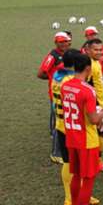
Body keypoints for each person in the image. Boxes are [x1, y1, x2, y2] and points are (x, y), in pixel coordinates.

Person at [61, 53, 103, 205]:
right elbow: (93, 119)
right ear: (88, 69)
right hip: (87, 140)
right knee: (89, 178)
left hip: (71, 137)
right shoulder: (87, 90)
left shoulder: (66, 86)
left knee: (76, 175)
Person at [52, 49, 100, 205]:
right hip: (75, 128)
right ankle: (80, 200)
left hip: (61, 123)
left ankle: (69, 198)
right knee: (80, 168)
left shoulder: (56, 78)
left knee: (68, 163)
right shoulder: (72, 82)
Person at [38, 31, 72, 163]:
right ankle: (56, 153)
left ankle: (61, 147)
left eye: (65, 41)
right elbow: (40, 73)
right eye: (60, 42)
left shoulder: (68, 55)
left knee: (61, 121)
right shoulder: (53, 56)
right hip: (56, 93)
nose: (63, 44)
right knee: (59, 123)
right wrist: (52, 78)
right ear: (56, 42)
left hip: (66, 93)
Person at [85, 38, 103, 173]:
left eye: (100, 49)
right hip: (93, 104)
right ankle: (97, 162)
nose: (98, 52)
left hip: (99, 103)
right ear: (88, 50)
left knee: (101, 131)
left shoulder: (96, 63)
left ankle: (95, 161)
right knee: (101, 130)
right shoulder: (89, 65)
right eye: (95, 50)